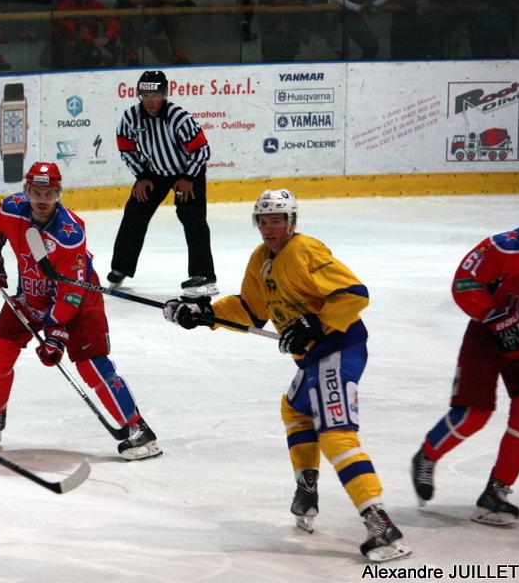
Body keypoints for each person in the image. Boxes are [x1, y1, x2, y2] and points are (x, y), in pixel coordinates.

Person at [163, 188, 410, 562]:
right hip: (313, 358)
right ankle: (307, 486)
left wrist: (315, 321)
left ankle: (381, 525)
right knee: (295, 411)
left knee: (335, 434)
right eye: (263, 220)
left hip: (338, 349)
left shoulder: (305, 251)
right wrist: (205, 314)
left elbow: (355, 293)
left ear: (292, 222)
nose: (269, 227)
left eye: (277, 220)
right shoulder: (260, 259)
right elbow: (249, 309)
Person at [0, 161, 161, 461]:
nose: (42, 199)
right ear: (26, 192)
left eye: (49, 193)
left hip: (79, 301)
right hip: (31, 296)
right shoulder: (11, 209)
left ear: (59, 193)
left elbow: (70, 291)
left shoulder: (70, 233)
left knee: (92, 366)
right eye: (36, 192)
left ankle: (139, 430)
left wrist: (56, 333)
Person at [411, 185, 519, 526]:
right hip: (489, 336)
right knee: (474, 413)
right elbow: (465, 282)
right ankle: (427, 455)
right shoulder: (504, 247)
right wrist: (494, 316)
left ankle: (496, 492)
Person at [108, 70, 217, 297]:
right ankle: (121, 267)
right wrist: (141, 176)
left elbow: (202, 149)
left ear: (165, 94)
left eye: (155, 94)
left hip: (186, 172)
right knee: (135, 213)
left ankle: (204, 274)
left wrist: (188, 178)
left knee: (192, 218)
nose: (150, 101)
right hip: (153, 173)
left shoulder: (178, 117)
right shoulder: (130, 118)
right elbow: (126, 148)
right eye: (144, 95)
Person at [51, 0, 120, 69]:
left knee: (117, 43)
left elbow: (113, 22)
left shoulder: (95, 4)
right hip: (70, 46)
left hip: (93, 44)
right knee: (70, 44)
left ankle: (109, 75)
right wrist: (95, 44)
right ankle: (70, 77)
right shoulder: (64, 6)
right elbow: (72, 31)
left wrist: (107, 37)